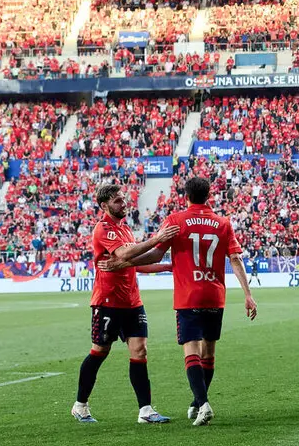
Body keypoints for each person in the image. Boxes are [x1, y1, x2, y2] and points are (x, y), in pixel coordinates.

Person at [109, 176, 257, 425]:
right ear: (209, 195)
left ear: (186, 195)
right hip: (214, 294)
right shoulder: (223, 223)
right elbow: (235, 259)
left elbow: (156, 252)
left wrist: (127, 261)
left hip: (189, 295)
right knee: (208, 353)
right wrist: (248, 295)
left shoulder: (176, 221)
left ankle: (204, 404)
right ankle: (197, 402)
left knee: (191, 351)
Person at [71, 184, 179, 425]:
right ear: (104, 206)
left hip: (132, 301)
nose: (124, 203)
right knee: (99, 352)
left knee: (140, 350)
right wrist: (157, 239)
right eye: (118, 201)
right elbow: (124, 255)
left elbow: (133, 262)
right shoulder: (104, 229)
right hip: (107, 301)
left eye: (123, 199)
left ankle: (146, 410)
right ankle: (80, 405)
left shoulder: (126, 229)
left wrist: (167, 266)